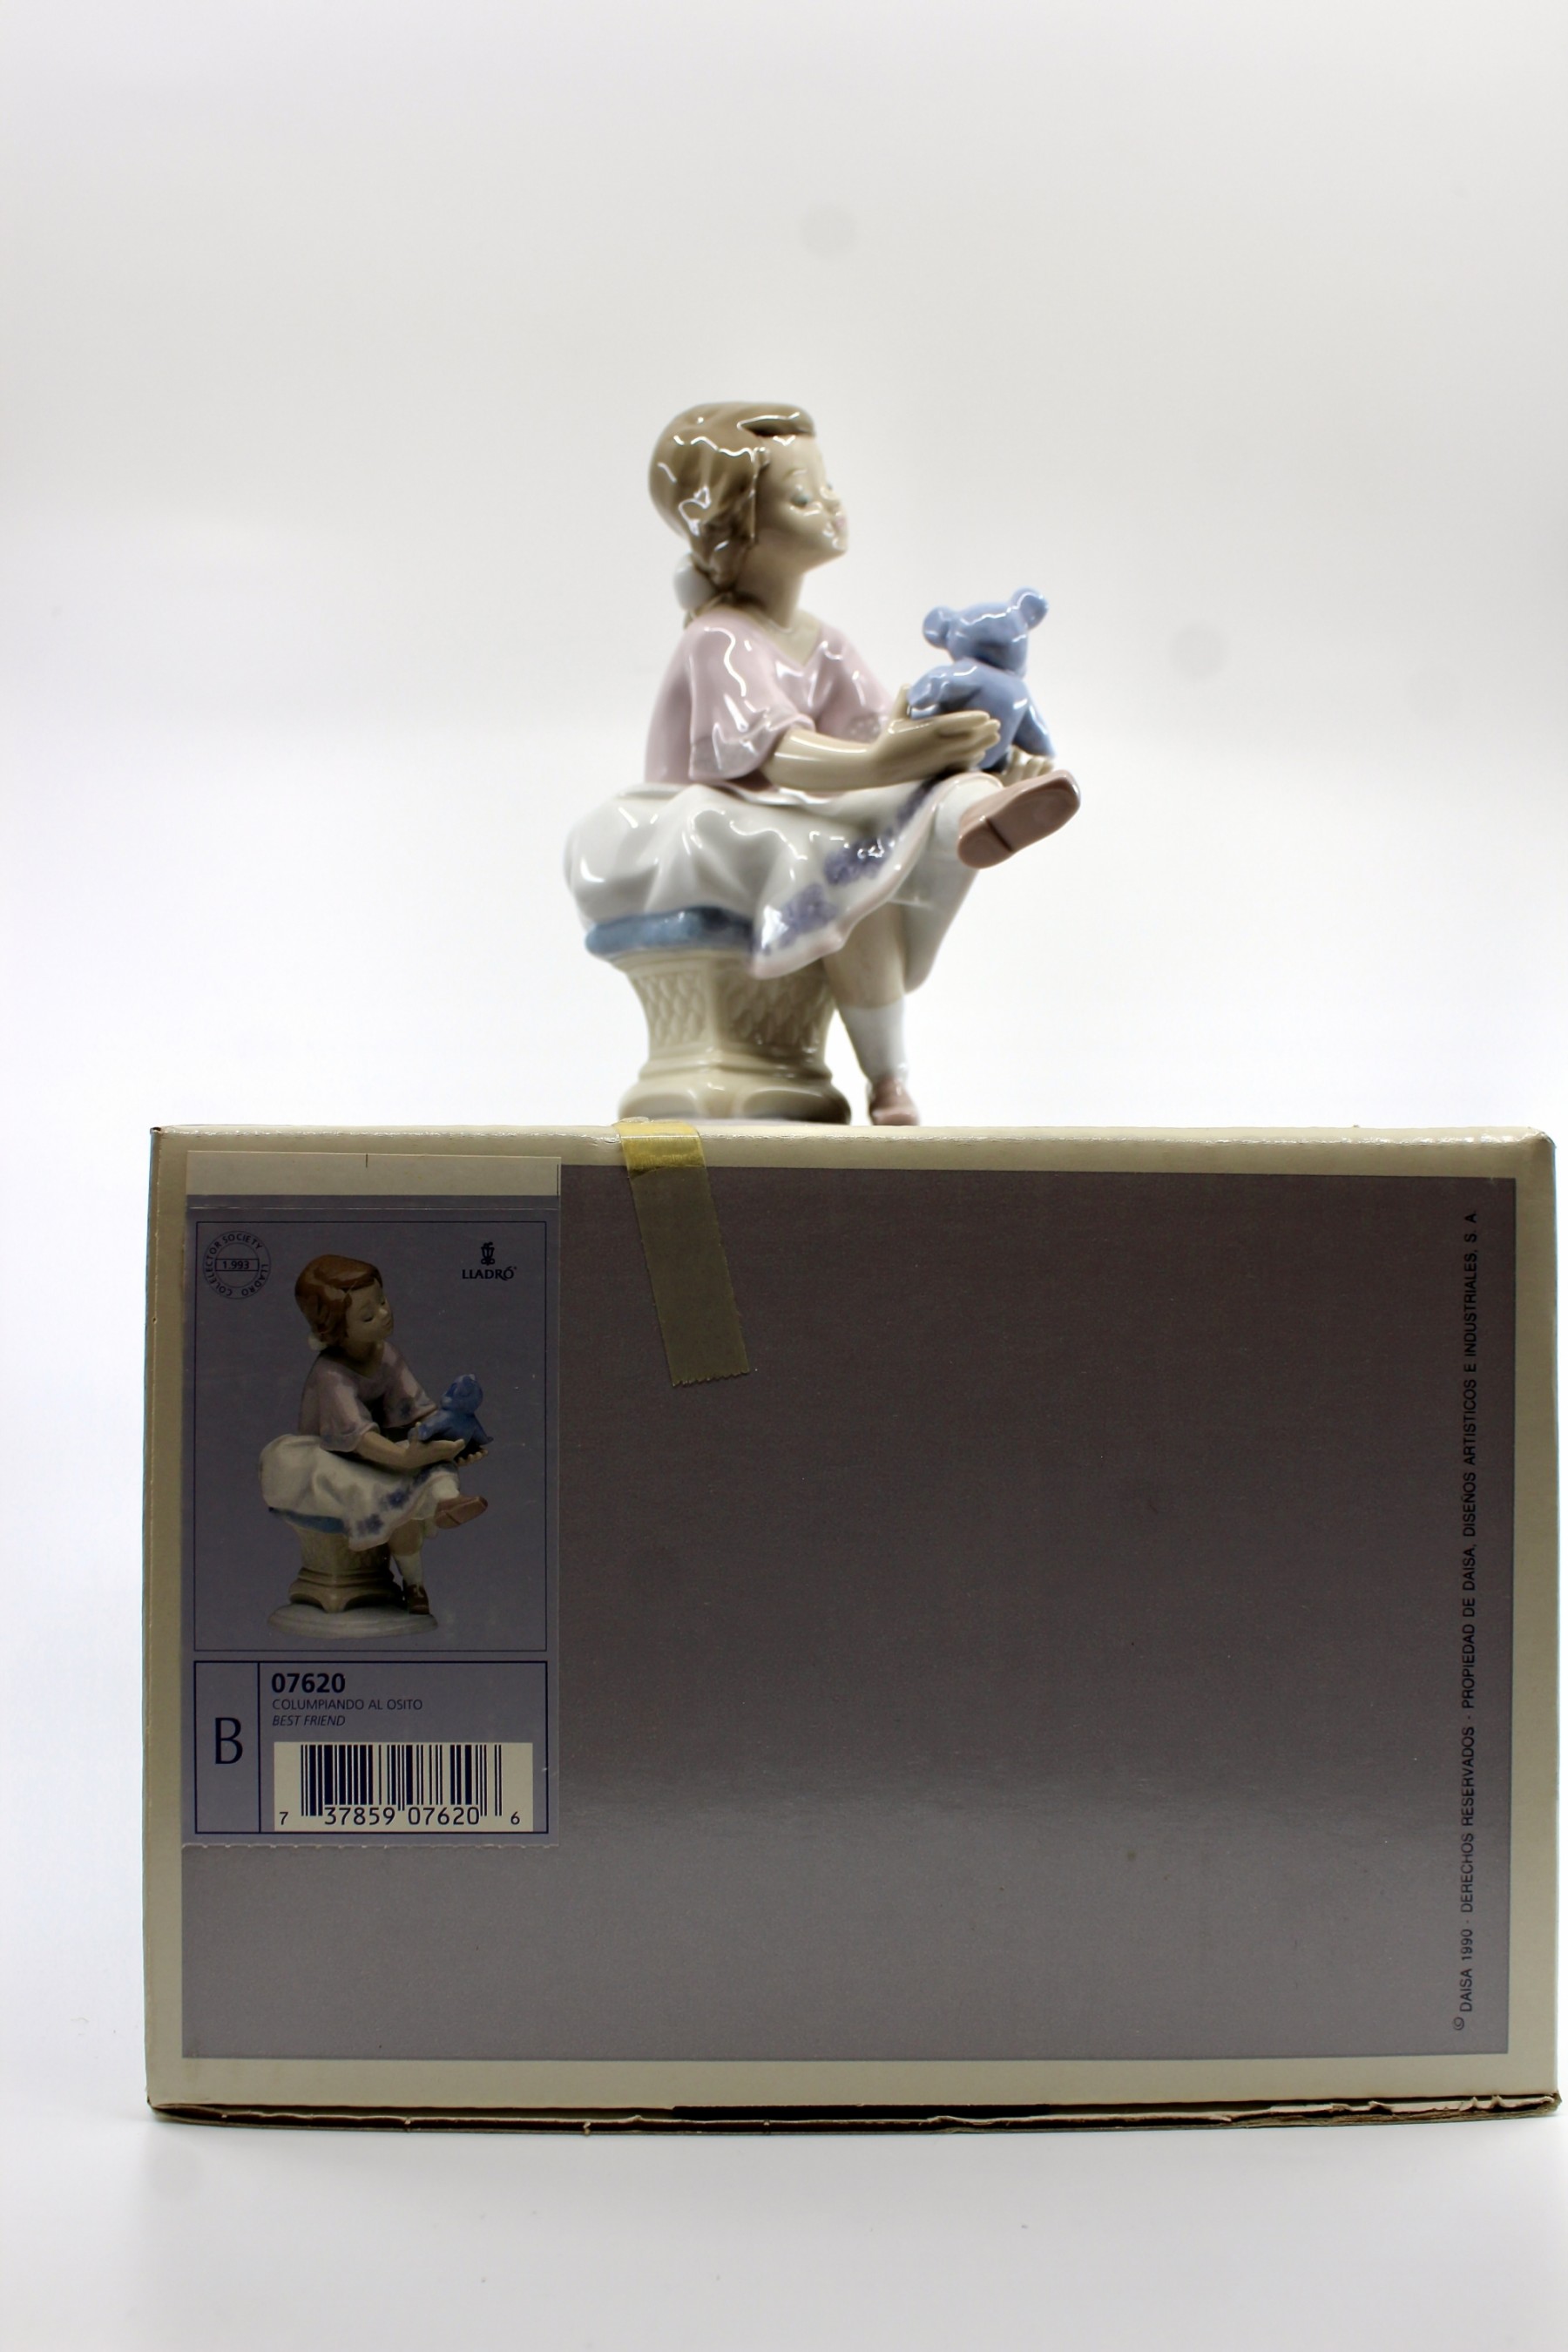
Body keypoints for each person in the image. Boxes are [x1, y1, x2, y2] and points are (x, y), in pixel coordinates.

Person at [564, 402, 1078, 1124]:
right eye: (803, 497)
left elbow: (876, 740)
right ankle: (888, 1073)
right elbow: (786, 757)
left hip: (782, 815)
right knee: (845, 858)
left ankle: (982, 808)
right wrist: (890, 757)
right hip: (696, 826)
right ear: (736, 530)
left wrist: (969, 750)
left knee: (896, 820)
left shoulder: (824, 642)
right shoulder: (721, 639)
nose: (831, 504)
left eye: (827, 486)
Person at [259, 1254, 486, 1616]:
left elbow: (417, 1411)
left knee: (430, 1468)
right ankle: (414, 1583)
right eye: (367, 1316)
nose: (384, 1314)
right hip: (330, 1460)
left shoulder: (387, 1354)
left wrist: (452, 1441)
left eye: (382, 1301)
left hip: (379, 1453)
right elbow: (360, 1437)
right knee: (394, 1495)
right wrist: (407, 1457)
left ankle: (447, 1504)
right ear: (334, 1331)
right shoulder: (331, 1374)